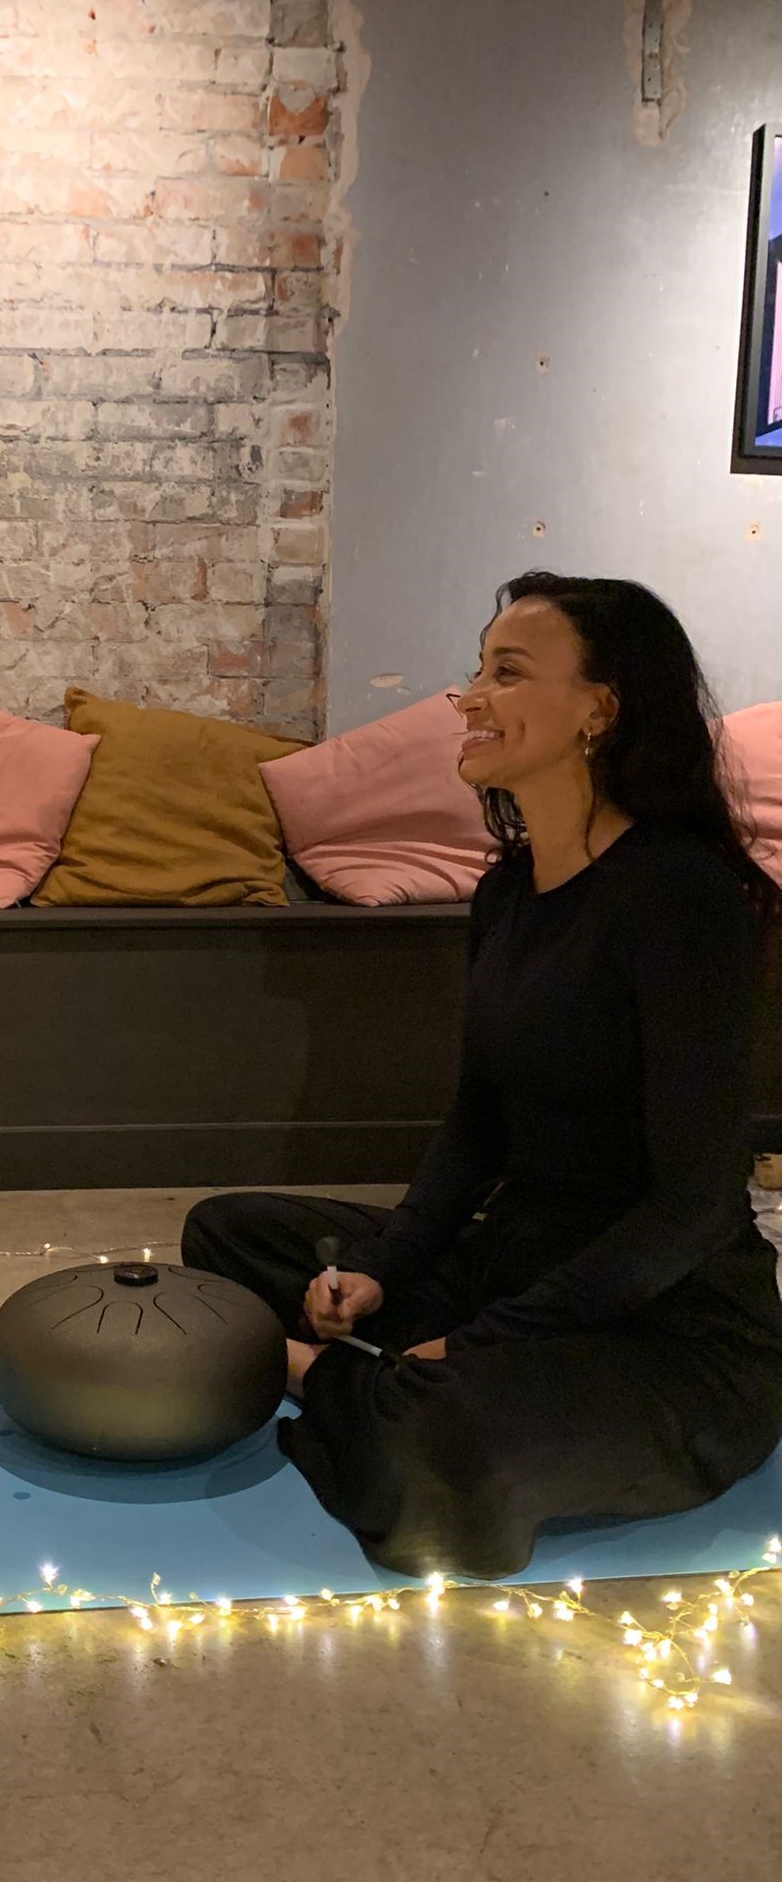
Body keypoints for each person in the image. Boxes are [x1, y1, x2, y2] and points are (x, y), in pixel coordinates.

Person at [183, 573, 782, 1579]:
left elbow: (690, 1205)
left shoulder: (683, 897)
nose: (466, 696)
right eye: (477, 668)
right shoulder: (508, 891)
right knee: (227, 1230)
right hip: (514, 1265)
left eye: (506, 671)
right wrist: (384, 1267)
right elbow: (476, 1127)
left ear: (602, 706)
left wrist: (477, 1345)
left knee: (446, 1446)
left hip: (666, 1325)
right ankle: (361, 1378)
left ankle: (313, 1373)